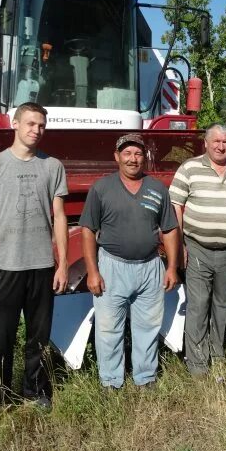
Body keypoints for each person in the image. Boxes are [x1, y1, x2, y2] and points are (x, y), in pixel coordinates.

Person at [0, 102, 69, 412]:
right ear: (14, 124)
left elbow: (59, 216)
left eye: (41, 125)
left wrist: (63, 263)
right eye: (30, 123)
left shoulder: (52, 166)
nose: (36, 130)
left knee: (38, 338)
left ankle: (35, 392)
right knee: (1, 337)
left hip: (42, 266)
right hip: (6, 266)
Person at [80, 133, 179, 389]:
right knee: (109, 328)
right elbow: (88, 230)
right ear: (117, 157)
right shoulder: (101, 188)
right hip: (112, 267)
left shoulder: (157, 188)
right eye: (127, 153)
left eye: (137, 154)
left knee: (147, 326)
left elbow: (169, 229)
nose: (133, 159)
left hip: (150, 267)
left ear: (144, 158)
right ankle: (111, 381)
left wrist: (171, 267)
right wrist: (92, 271)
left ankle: (145, 378)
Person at [169, 123, 226, 376]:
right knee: (198, 304)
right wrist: (180, 245)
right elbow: (175, 205)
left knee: (221, 304)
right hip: (198, 248)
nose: (220, 146)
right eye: (216, 141)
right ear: (205, 143)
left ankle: (217, 353)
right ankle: (197, 364)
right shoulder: (189, 168)